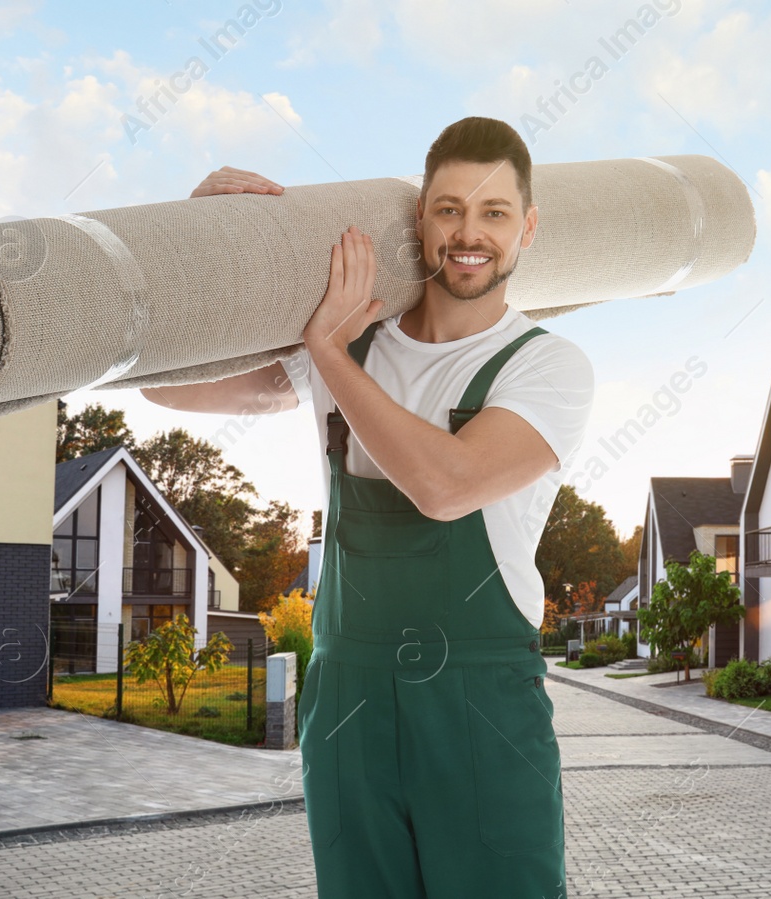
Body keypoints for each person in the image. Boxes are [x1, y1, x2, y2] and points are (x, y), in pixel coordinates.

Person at [142, 117, 595, 898]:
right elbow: (165, 383)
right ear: (420, 219)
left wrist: (325, 353)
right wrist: (197, 239)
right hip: (348, 696)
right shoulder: (351, 339)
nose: (469, 233)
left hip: (480, 708)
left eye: (493, 213)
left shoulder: (547, 365)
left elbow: (446, 485)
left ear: (526, 230)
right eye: (449, 208)